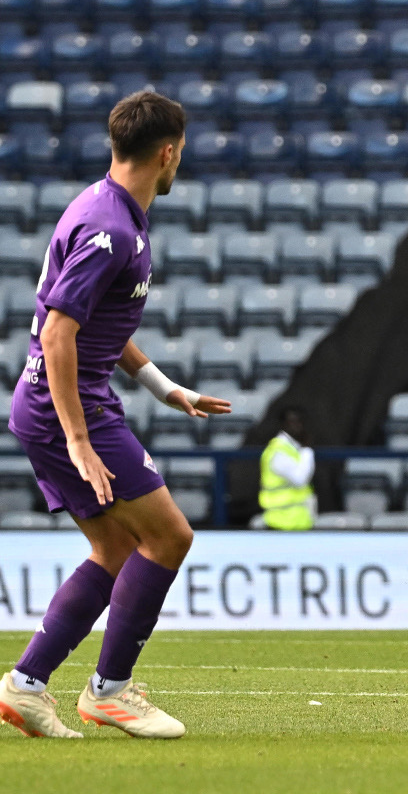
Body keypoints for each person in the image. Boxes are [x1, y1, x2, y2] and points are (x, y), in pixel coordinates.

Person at [0, 91, 231, 740]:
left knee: (116, 545)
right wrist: (78, 439)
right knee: (169, 536)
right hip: (64, 406)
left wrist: (162, 387)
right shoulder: (113, 232)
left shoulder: (105, 208)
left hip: (55, 401)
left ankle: (26, 685)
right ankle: (110, 691)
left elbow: (94, 323)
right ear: (167, 153)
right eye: (179, 153)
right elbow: (57, 336)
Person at [259, 406, 316, 531]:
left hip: (298, 522)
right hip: (282, 523)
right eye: (292, 421)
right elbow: (300, 479)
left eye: (300, 421)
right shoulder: (279, 450)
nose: (297, 425)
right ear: (283, 424)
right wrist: (307, 450)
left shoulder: (294, 448)